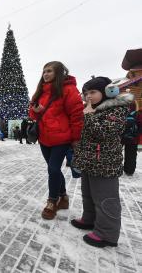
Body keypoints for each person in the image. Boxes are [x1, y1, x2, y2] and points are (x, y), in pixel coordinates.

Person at [72, 77, 134, 248]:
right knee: (88, 194)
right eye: (85, 94)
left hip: (105, 163)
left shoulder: (117, 109)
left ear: (107, 92)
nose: (88, 97)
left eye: (92, 92)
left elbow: (105, 133)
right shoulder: (94, 109)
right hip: (89, 161)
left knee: (105, 198)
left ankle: (107, 234)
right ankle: (89, 219)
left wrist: (89, 117)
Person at [29, 61, 84, 220]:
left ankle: (52, 202)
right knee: (54, 169)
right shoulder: (40, 91)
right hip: (44, 138)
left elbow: (76, 115)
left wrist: (75, 138)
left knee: (53, 169)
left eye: (49, 71)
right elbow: (32, 114)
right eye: (44, 71)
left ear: (58, 73)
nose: (45, 74)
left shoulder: (68, 89)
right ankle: (64, 198)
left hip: (62, 137)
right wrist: (35, 110)